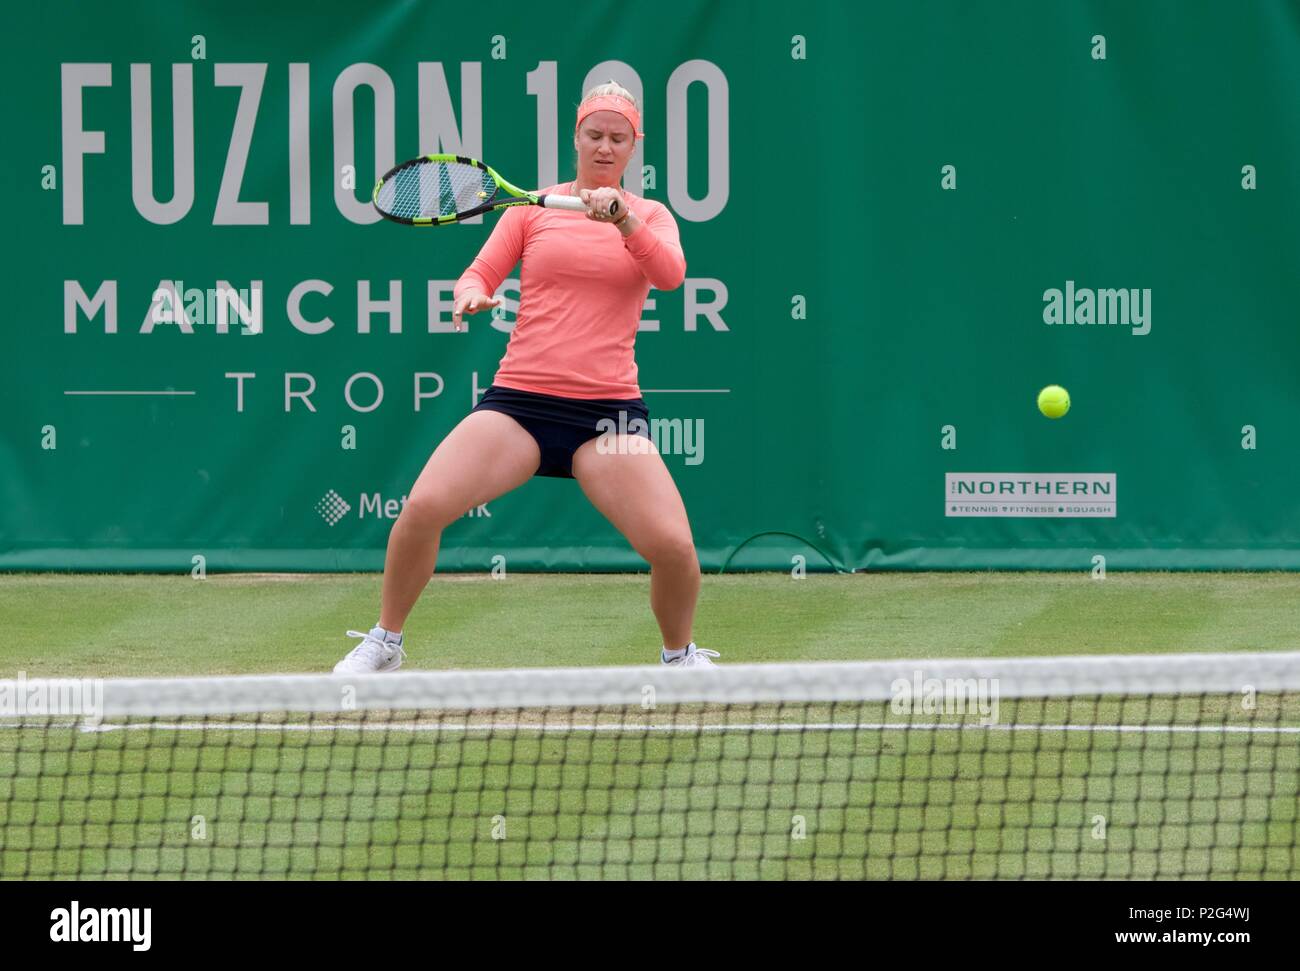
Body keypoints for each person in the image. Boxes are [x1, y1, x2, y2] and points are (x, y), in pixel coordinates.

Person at [333, 81, 718, 673]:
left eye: (618, 138)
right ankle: (385, 641)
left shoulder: (653, 215)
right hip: (520, 405)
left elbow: (670, 274)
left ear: (634, 146)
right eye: (595, 134)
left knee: (673, 548)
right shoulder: (530, 210)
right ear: (577, 138)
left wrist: (624, 223)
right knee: (423, 508)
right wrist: (470, 295)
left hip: (608, 416)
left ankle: (679, 658)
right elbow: (477, 273)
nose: (605, 147)